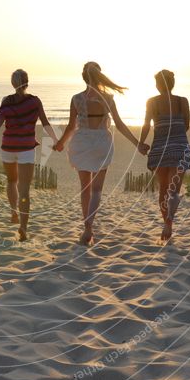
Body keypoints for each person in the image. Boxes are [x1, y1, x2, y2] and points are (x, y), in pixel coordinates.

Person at [54, 62, 146, 245]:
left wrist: (61, 143)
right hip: (101, 142)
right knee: (96, 190)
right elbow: (119, 125)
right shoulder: (108, 98)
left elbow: (72, 126)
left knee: (85, 188)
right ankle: (89, 226)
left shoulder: (76, 99)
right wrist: (137, 144)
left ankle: (87, 229)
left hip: (82, 141)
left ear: (83, 77)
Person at [0, 69, 58, 241]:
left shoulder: (6, 101)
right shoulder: (35, 101)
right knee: (24, 190)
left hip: (8, 147)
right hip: (26, 149)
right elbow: (45, 122)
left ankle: (14, 212)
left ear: (13, 84)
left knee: (11, 181)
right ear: (27, 82)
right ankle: (23, 227)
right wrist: (55, 139)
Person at [139, 69, 190, 241]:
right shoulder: (182, 101)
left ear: (157, 85)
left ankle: (167, 223)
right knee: (174, 190)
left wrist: (141, 142)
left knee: (163, 189)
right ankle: (169, 222)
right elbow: (186, 125)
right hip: (179, 147)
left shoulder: (151, 102)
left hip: (160, 148)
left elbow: (146, 124)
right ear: (172, 83)